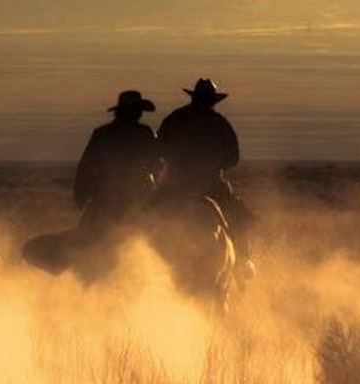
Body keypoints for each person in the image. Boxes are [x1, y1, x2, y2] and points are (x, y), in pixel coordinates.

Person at [157, 78, 257, 264]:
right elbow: (233, 158)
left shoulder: (174, 119)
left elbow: (159, 149)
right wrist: (214, 165)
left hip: (175, 184)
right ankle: (243, 260)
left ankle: (135, 253)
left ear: (194, 97)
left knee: (146, 214)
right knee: (241, 216)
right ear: (212, 101)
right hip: (211, 184)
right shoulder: (220, 122)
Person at [74, 90, 161, 227]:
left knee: (91, 230)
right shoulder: (144, 133)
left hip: (104, 197)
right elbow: (156, 163)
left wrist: (80, 193)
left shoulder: (102, 134)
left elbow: (86, 165)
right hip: (136, 198)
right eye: (138, 110)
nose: (139, 114)